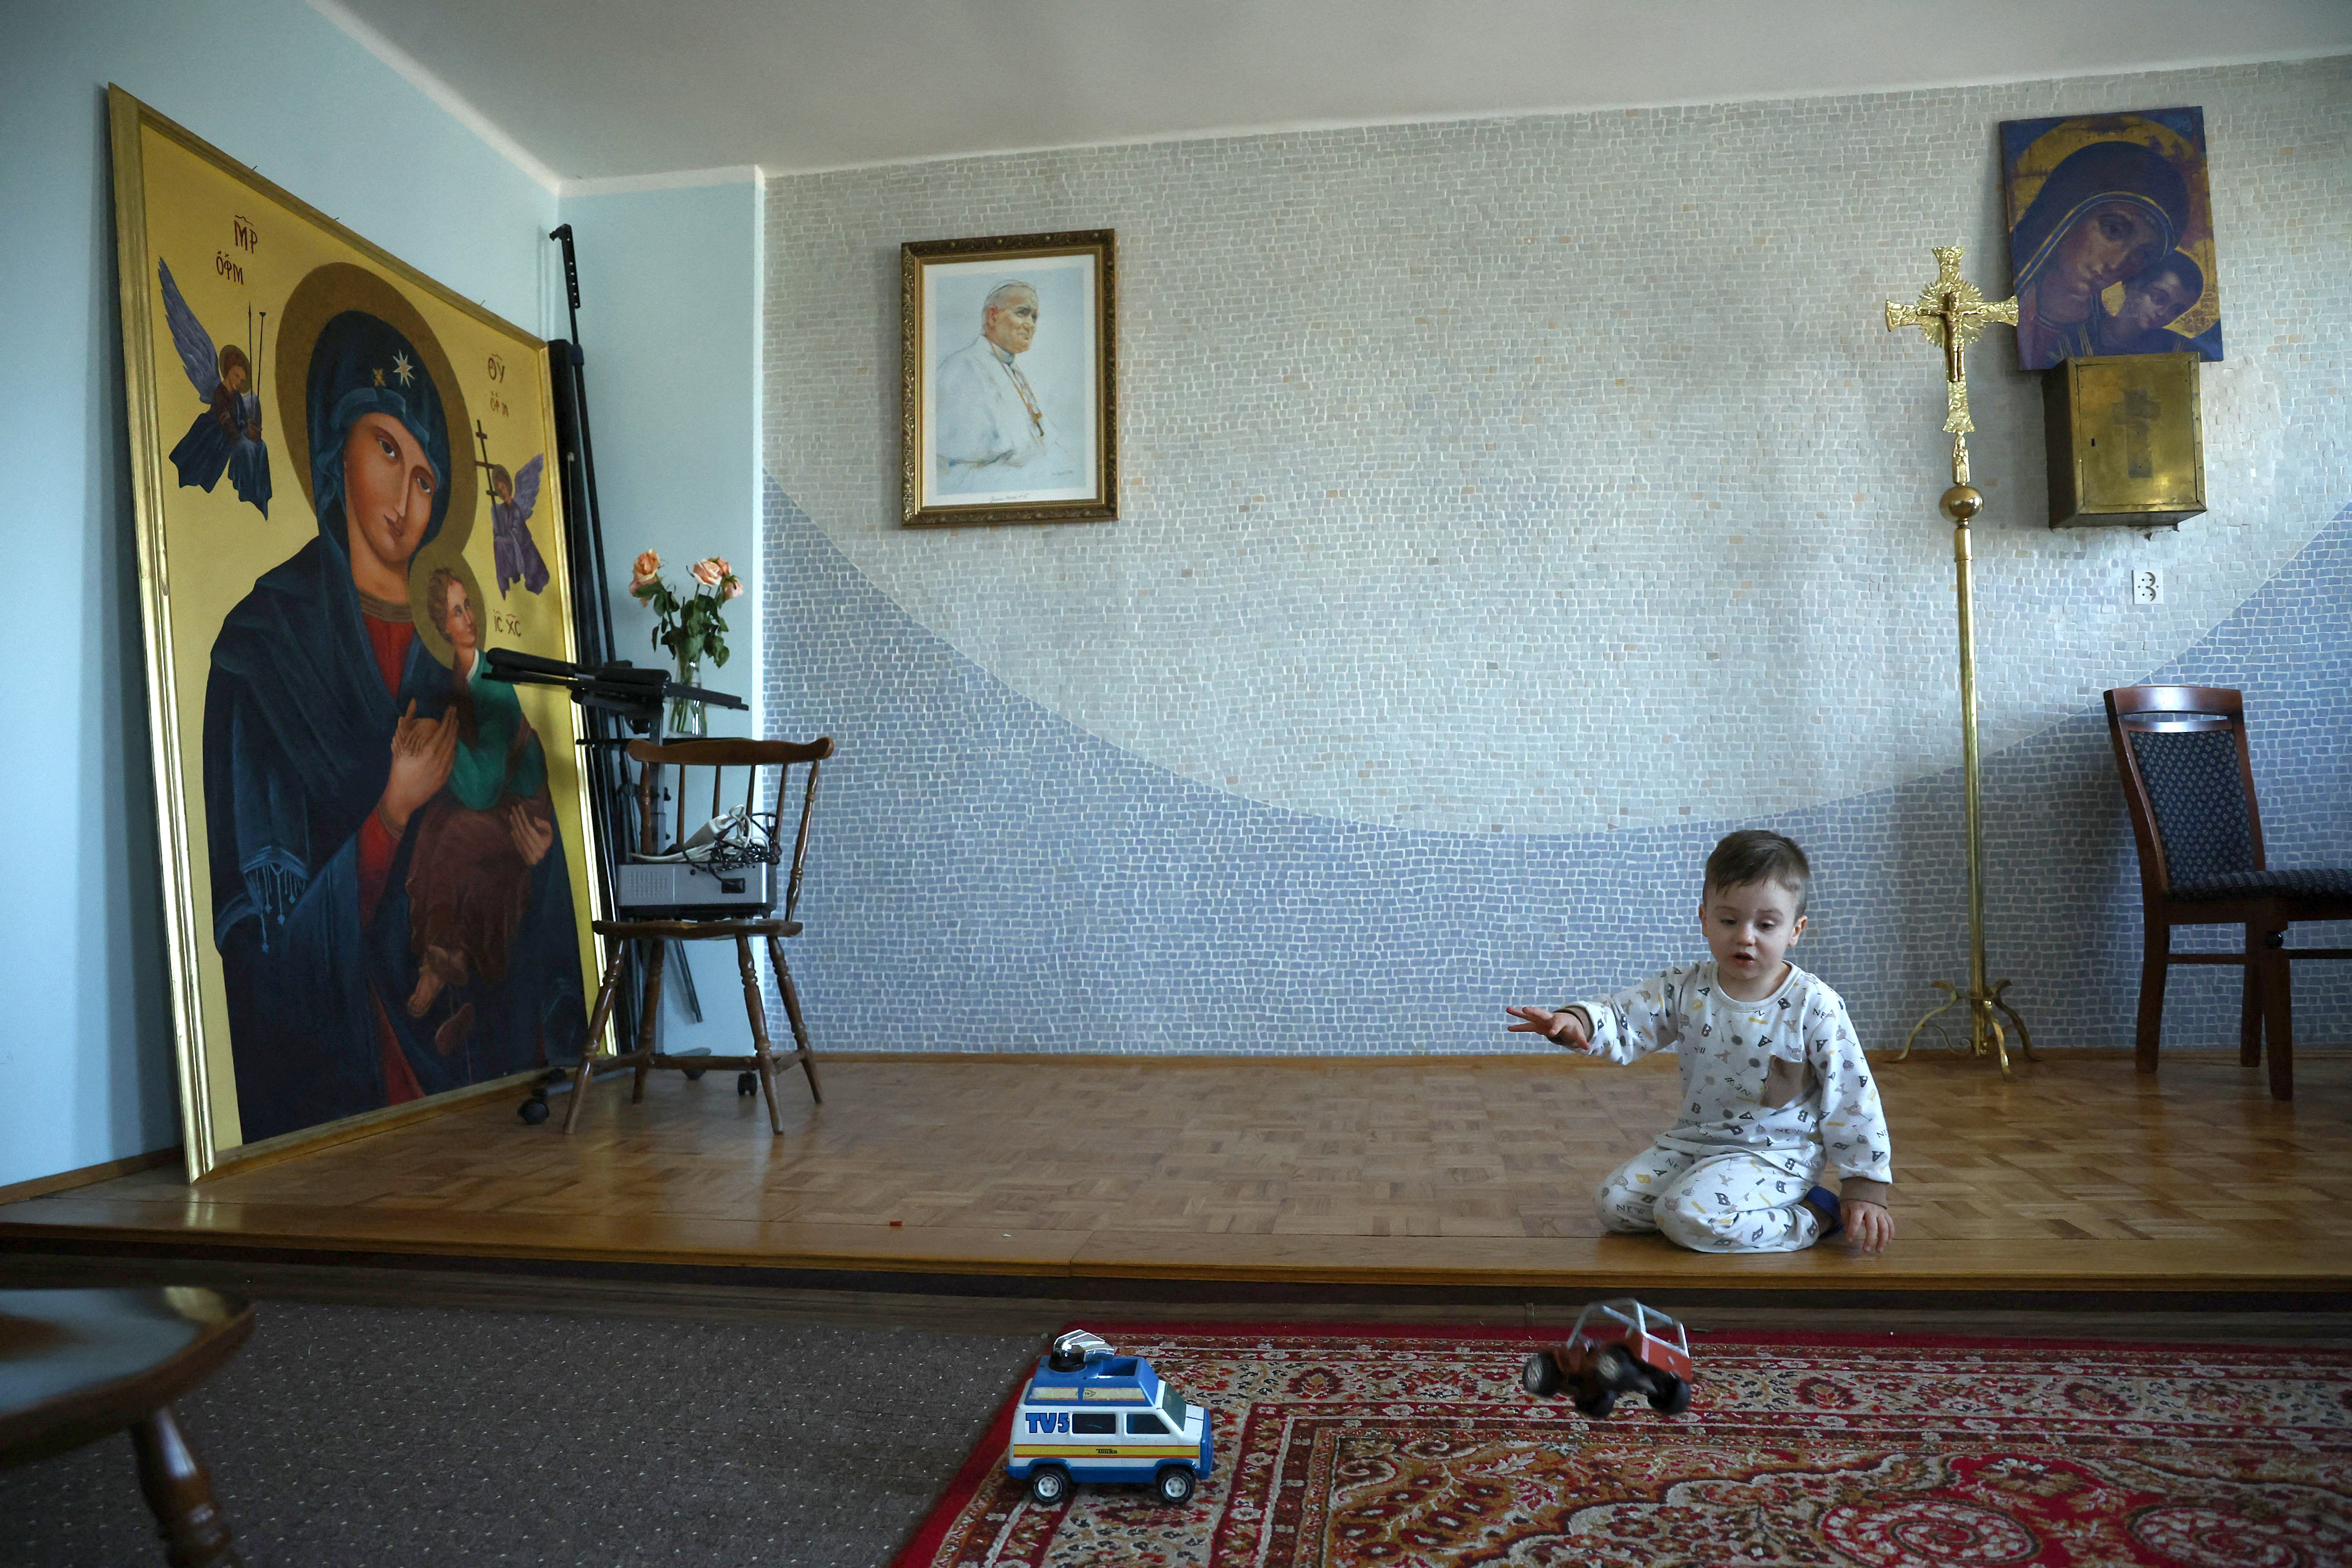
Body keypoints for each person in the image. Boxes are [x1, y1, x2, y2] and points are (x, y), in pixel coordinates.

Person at [202, 307, 585, 1143]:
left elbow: (532, 856)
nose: (408, 500)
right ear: (333, 447)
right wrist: (390, 812)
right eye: (388, 450)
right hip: (339, 1071)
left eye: (426, 478)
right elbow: (256, 933)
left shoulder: (458, 657)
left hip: (469, 1075)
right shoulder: (262, 649)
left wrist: (531, 856)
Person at [1504, 830, 1894, 1254]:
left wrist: (1864, 1184)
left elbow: (1853, 1095)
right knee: (1614, 1204)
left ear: (1796, 930)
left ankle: (1813, 1216)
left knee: (1684, 1215)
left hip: (1775, 1156)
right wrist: (1572, 1021)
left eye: (1766, 925)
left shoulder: (1815, 1004)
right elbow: (1623, 1016)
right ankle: (1708, 1202)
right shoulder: (1686, 987)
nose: (1745, 936)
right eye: (1729, 921)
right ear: (1704, 918)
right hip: (1694, 1142)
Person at [401, 568, 557, 1028]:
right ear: (440, 626)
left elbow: (482, 786)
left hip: (520, 807)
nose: (469, 618)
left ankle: (444, 962)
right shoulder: (451, 676)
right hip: (490, 799)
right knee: (433, 832)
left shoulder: (492, 679)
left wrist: (431, 736)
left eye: (468, 605)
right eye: (456, 611)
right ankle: (441, 961)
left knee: (453, 836)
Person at [2010, 139, 2191, 370]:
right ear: (2068, 212)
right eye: (2113, 230)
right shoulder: (2000, 307)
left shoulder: (2103, 341)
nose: (2117, 264)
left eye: (2142, 255)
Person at [933, 281, 1049, 487]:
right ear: (993, 316)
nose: (1031, 324)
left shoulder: (1014, 372)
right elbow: (954, 470)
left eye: (1034, 317)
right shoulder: (962, 368)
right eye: (1022, 313)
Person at [2092, 250, 2207, 357]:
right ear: (2133, 285)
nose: (2163, 313)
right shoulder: (2088, 332)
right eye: (2159, 298)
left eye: (2176, 311)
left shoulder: (2177, 348)